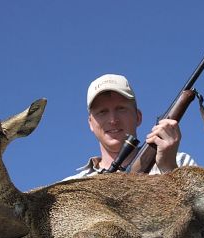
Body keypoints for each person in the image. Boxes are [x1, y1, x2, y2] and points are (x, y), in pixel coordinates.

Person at [64, 74, 196, 180]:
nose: (113, 120)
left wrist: (168, 168)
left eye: (121, 109)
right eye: (102, 112)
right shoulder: (72, 185)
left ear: (138, 117)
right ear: (90, 123)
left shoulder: (180, 162)